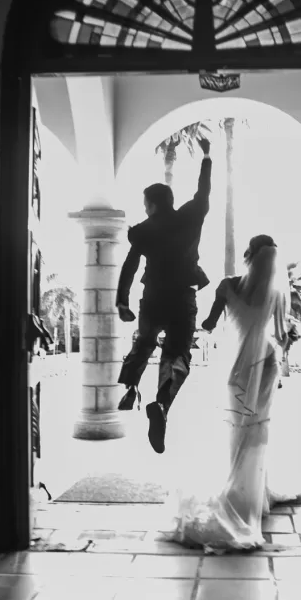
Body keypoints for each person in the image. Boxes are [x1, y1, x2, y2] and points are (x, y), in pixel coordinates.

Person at [164, 234, 292, 552]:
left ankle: (236, 489)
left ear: (247, 255)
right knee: (258, 427)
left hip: (237, 366)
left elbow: (208, 323)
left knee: (236, 424)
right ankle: (254, 493)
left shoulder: (226, 286)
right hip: (266, 363)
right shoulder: (275, 291)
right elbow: (283, 335)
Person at [115, 137, 212, 453]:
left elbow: (130, 265)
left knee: (143, 343)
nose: (144, 208)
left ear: (152, 203)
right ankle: (161, 405)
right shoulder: (189, 217)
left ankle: (130, 387)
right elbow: (203, 193)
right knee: (178, 355)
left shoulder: (143, 230)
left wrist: (122, 300)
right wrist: (207, 158)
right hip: (182, 298)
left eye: (146, 203)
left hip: (153, 297)